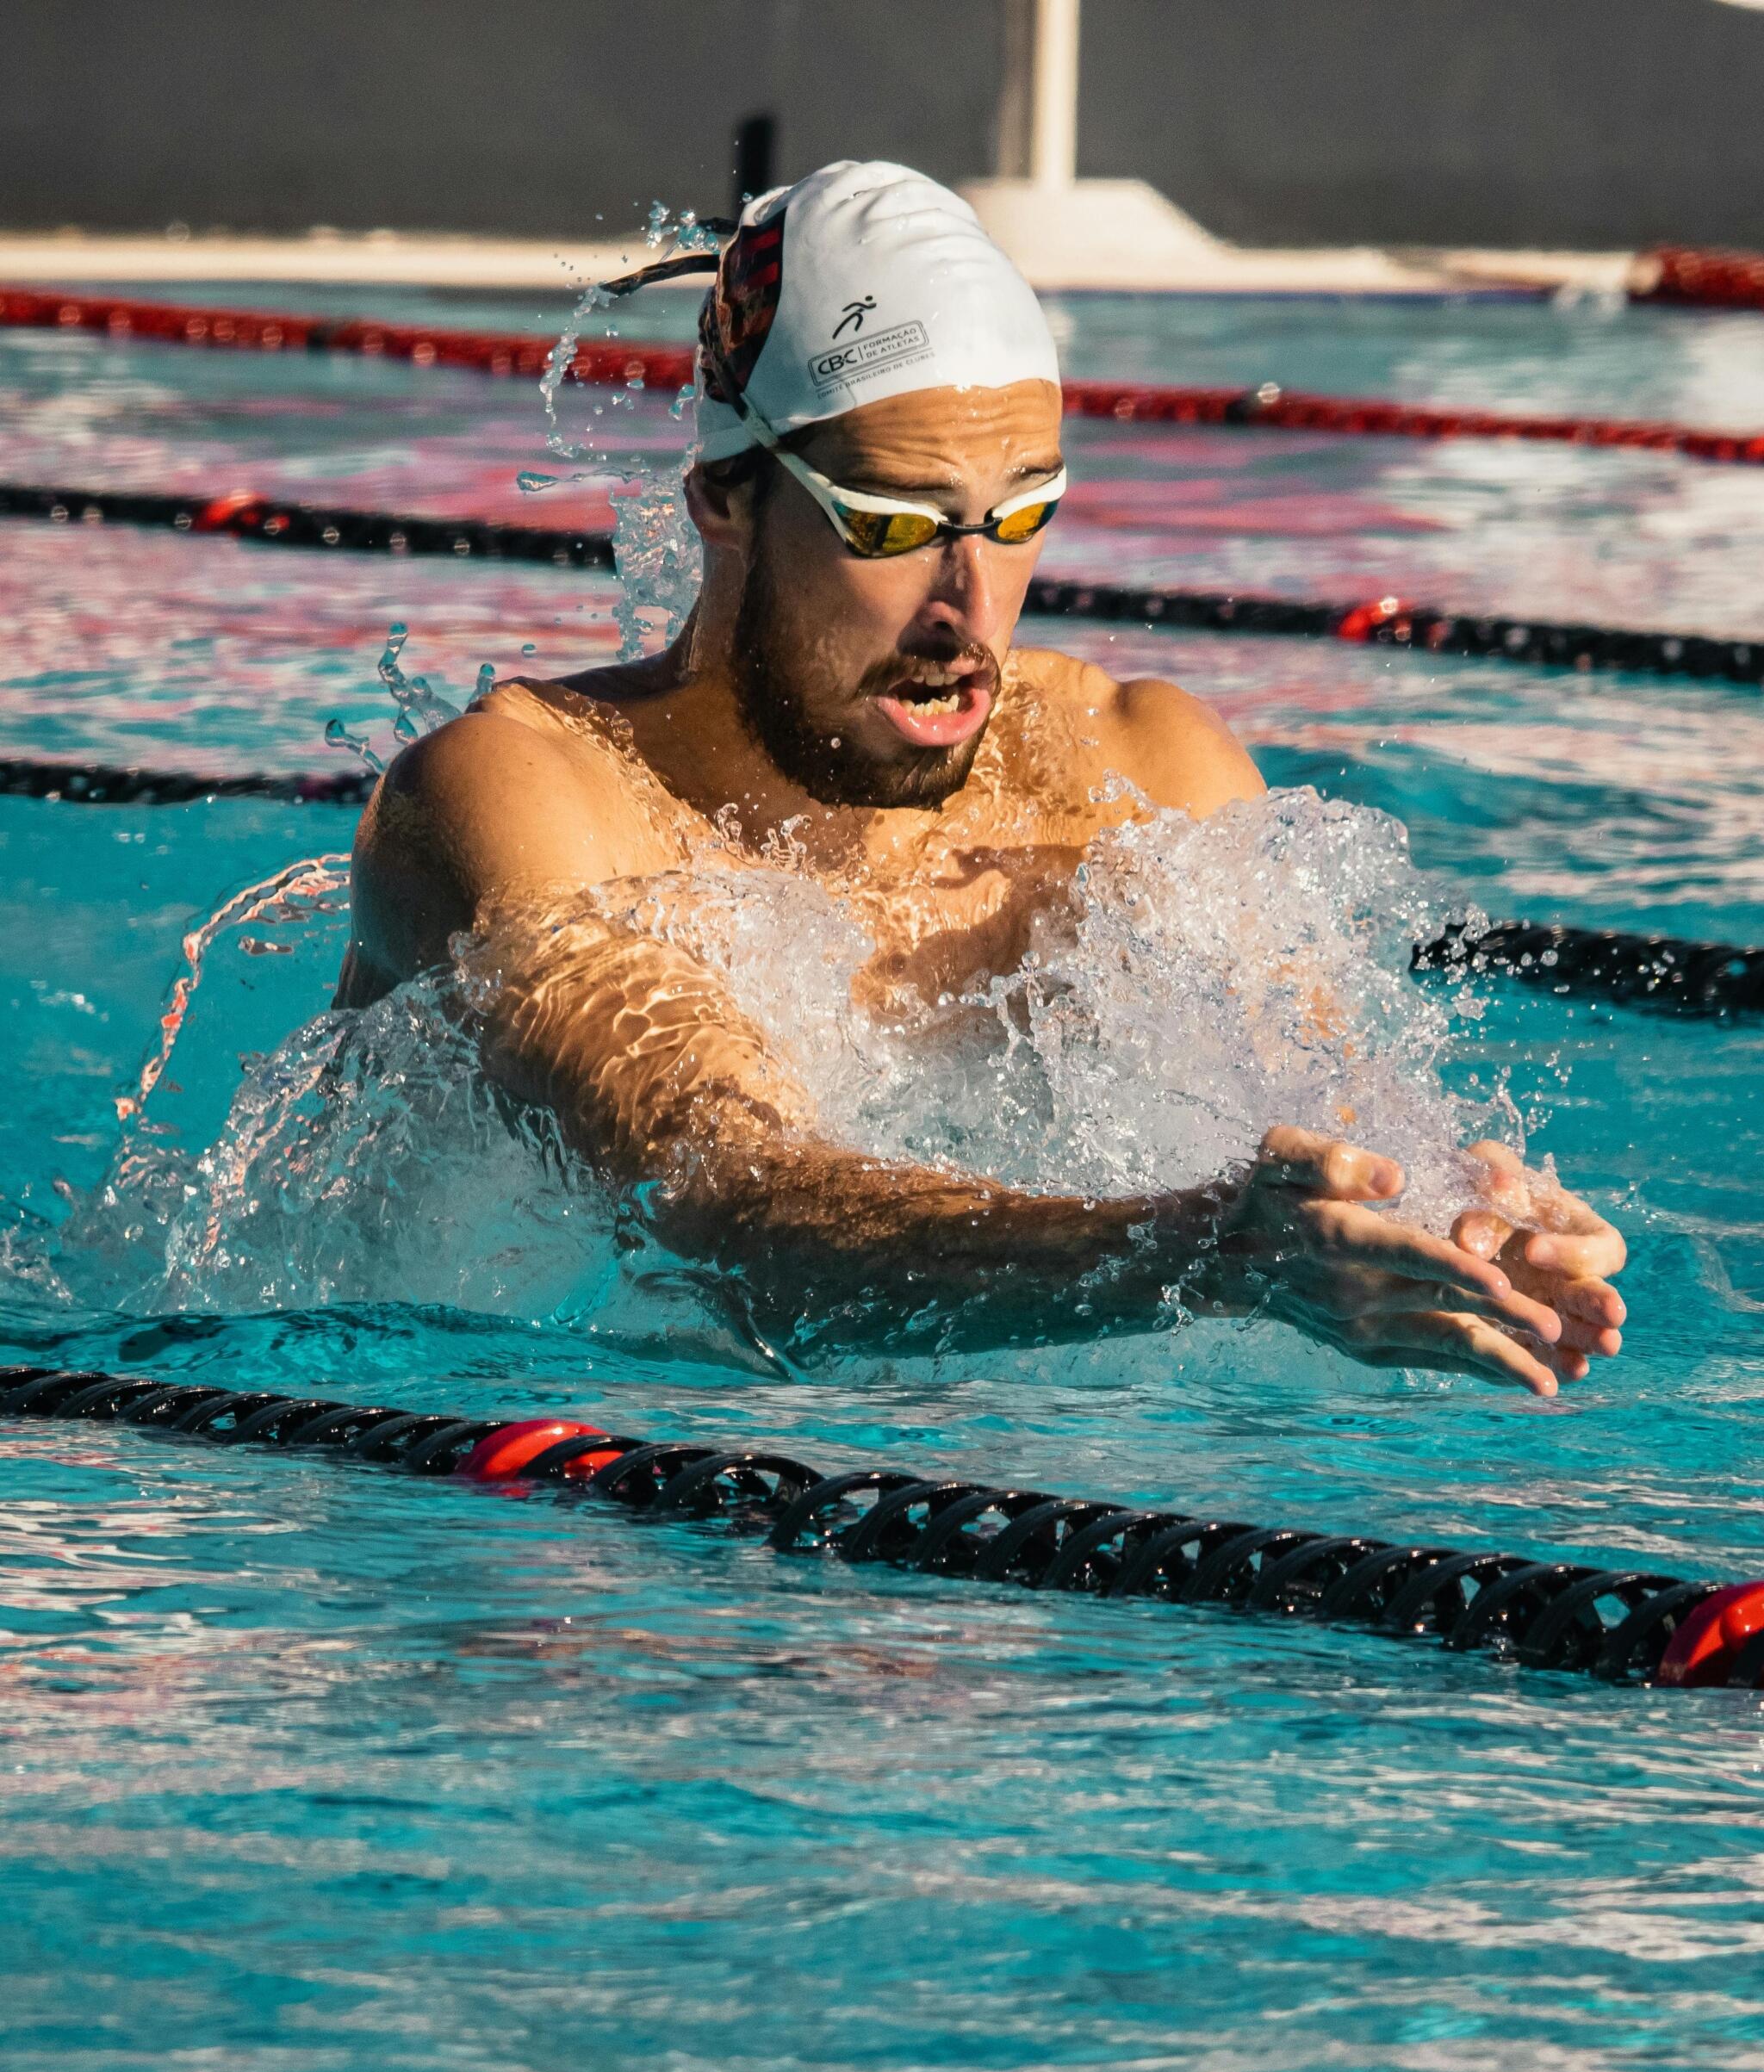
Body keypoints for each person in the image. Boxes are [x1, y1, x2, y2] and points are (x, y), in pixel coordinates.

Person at [336, 161, 1625, 1391]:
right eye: (894, 525)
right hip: (479, 1469)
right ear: (723, 500)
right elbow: (727, 1214)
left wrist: (1465, 1222)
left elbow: (1322, 1120)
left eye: (1019, 517)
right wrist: (1200, 1256)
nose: (969, 604)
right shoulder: (524, 805)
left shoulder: (1130, 769)